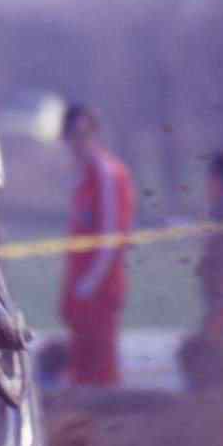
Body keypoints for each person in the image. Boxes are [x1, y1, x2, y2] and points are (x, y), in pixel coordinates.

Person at [59, 103, 136, 386]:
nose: (79, 143)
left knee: (103, 375)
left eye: (85, 134)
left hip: (100, 293)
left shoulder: (108, 175)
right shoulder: (81, 180)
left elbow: (113, 238)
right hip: (81, 294)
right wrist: (71, 291)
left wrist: (88, 287)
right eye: (73, 136)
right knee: (80, 375)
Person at [180, 150, 223, 389]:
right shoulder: (219, 214)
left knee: (201, 359)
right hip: (219, 308)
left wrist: (221, 310)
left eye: (209, 180)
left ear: (218, 181)